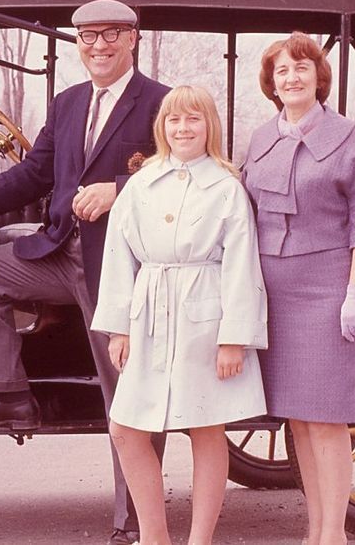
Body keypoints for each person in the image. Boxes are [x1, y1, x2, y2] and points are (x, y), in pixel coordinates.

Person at [0, 0, 170, 545]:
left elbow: (185, 169)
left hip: (123, 270)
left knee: (127, 395)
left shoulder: (161, 102)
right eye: (87, 36)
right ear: (78, 43)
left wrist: (120, 190)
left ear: (133, 38)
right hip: (61, 254)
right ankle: (8, 395)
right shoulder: (67, 103)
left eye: (111, 34)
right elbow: (35, 173)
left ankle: (134, 522)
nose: (99, 45)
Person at [93, 87, 267, 545]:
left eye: (193, 119)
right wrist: (118, 329)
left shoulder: (226, 188)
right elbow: (118, 257)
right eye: (174, 120)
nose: (183, 129)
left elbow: (241, 265)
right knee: (125, 428)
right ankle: (155, 535)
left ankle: (200, 540)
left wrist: (233, 339)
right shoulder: (141, 185)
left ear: (209, 126)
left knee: (206, 426)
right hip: (150, 313)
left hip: (204, 317)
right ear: (161, 127)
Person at [242, 34, 355, 545]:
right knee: (299, 421)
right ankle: (314, 530)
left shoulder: (346, 136)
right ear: (271, 83)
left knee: (326, 420)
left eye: (301, 68)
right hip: (272, 295)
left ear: (318, 77)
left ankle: (334, 534)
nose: (292, 78)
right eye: (282, 71)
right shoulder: (260, 139)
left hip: (327, 291)